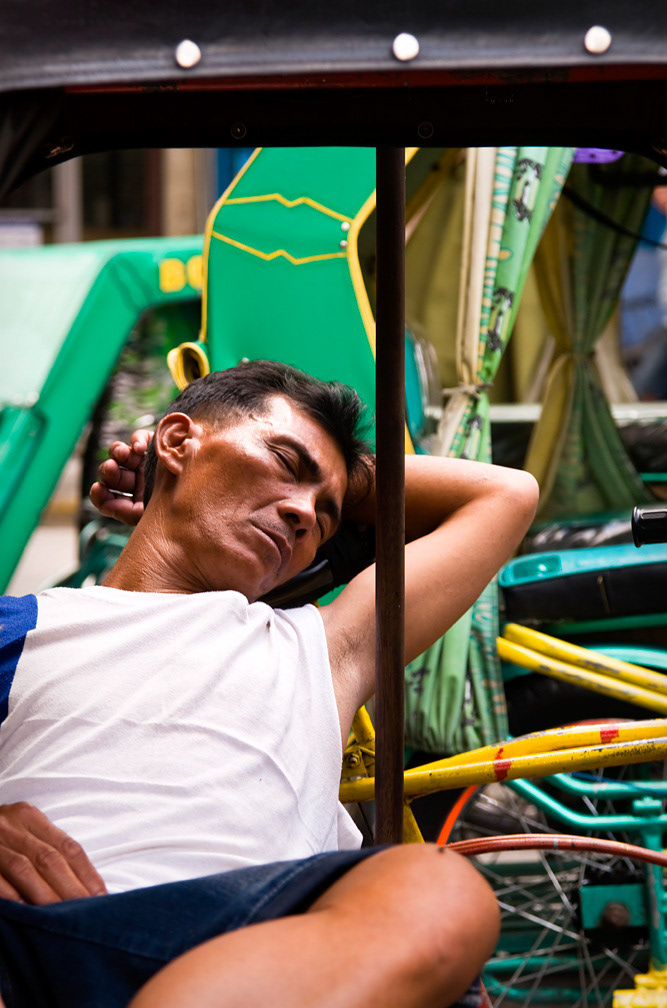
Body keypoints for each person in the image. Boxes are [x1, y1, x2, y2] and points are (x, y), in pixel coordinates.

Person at [0, 361, 539, 1008]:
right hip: (36, 937)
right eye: (285, 462)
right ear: (175, 440)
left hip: (266, 953)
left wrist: (333, 473)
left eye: (328, 514)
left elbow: (504, 495)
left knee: (435, 888)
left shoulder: (324, 647)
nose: (303, 515)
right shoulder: (26, 624)